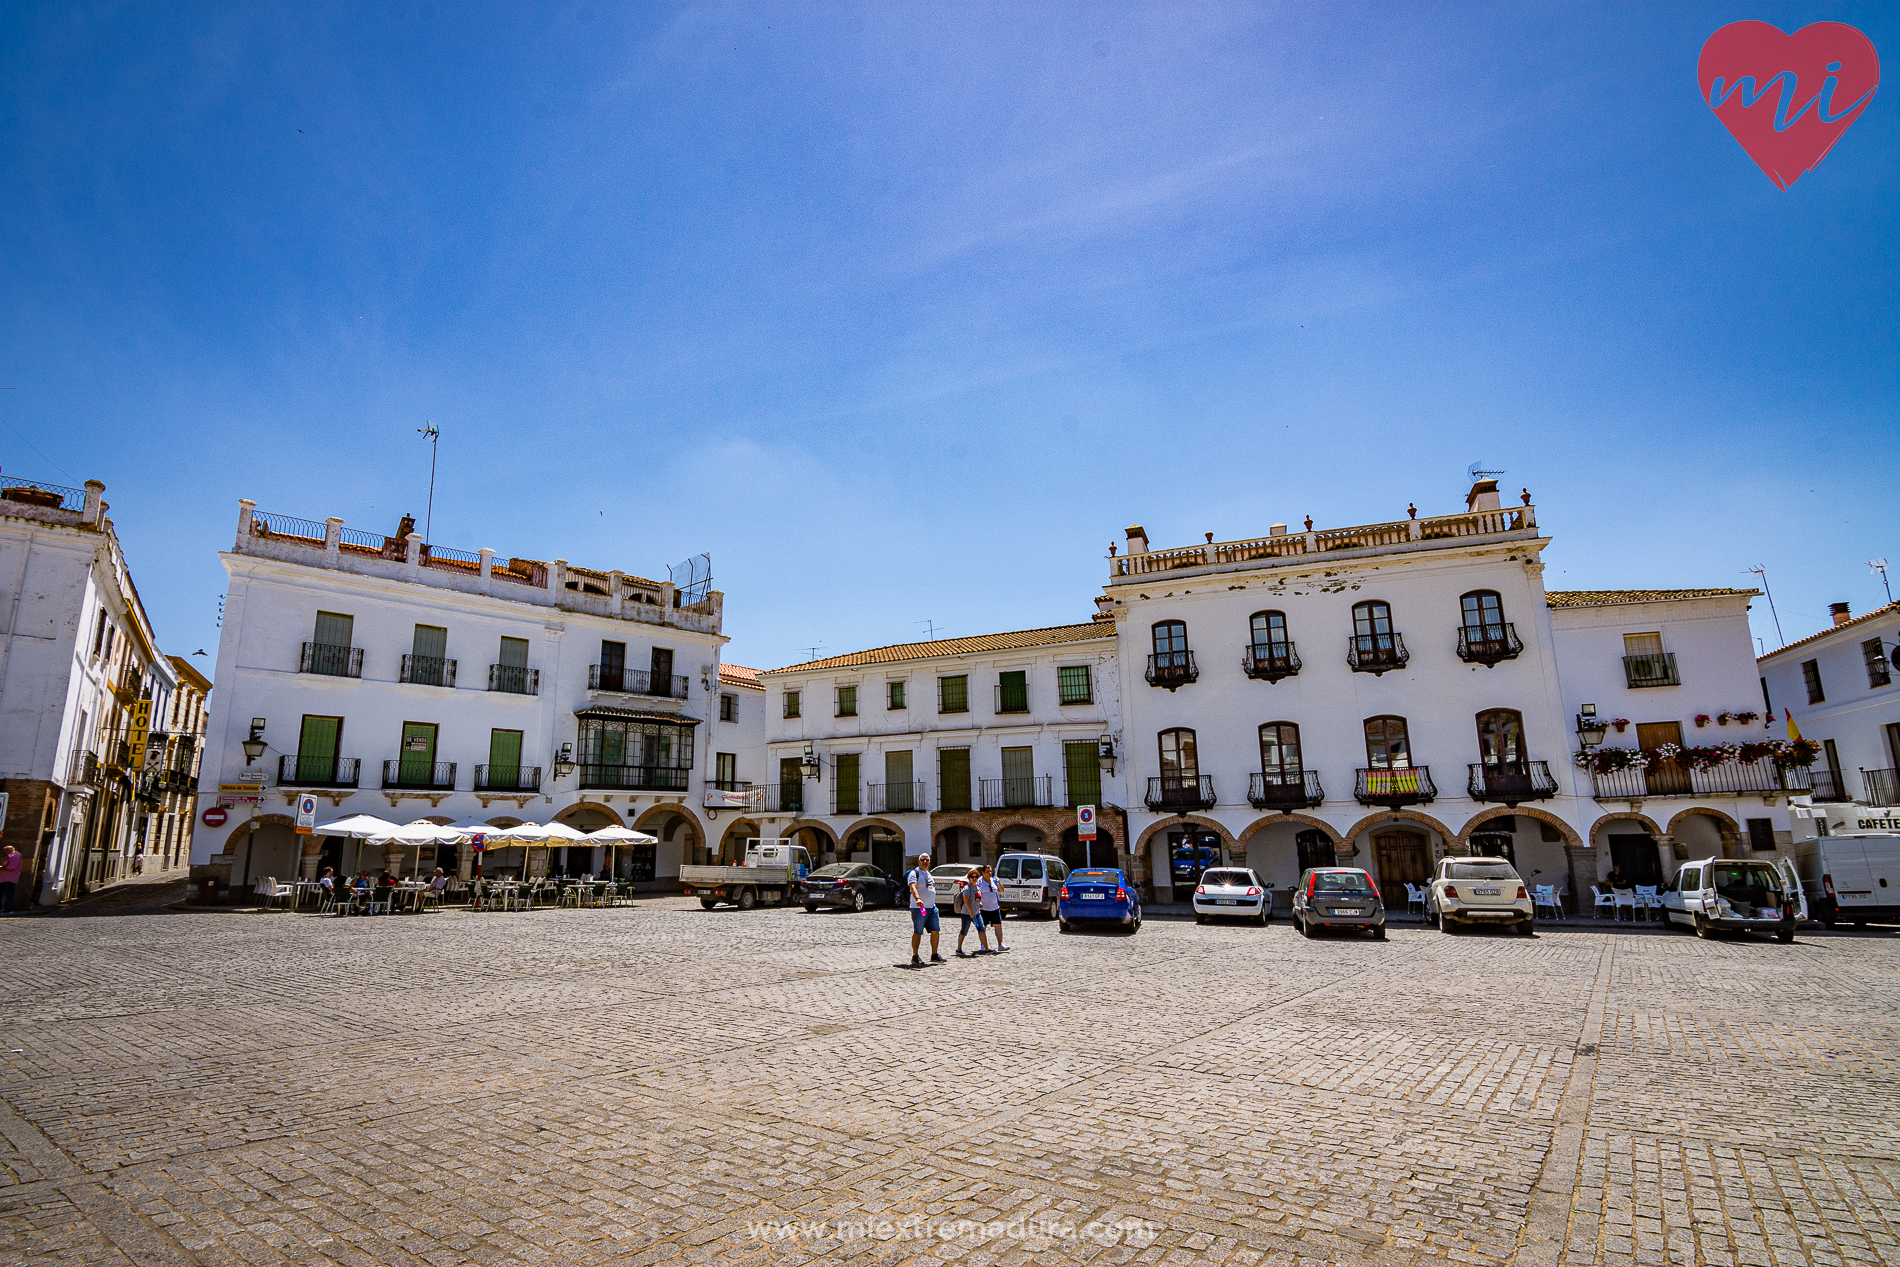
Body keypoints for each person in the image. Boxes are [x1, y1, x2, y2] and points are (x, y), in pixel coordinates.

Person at [906, 852, 943, 966]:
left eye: (927, 860)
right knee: (918, 931)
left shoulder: (928, 873)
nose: (925, 862)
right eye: (923, 860)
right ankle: (915, 956)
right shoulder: (914, 873)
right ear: (919, 861)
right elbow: (913, 886)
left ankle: (934, 954)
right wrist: (917, 899)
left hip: (932, 907)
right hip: (919, 908)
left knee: (935, 930)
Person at [954, 867, 992, 958]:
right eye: (972, 877)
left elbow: (977, 898)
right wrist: (971, 912)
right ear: (969, 878)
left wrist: (980, 903)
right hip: (967, 914)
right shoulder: (967, 888)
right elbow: (966, 901)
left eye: (976, 877)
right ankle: (958, 949)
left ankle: (987, 949)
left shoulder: (978, 888)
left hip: (977, 913)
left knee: (981, 929)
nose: (974, 878)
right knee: (964, 931)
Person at [976, 863, 1007, 951]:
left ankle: (1000, 944)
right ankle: (983, 945)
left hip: (994, 907)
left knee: (998, 926)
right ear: (983, 873)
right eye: (987, 871)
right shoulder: (979, 881)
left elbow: (1001, 890)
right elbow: (977, 893)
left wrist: (999, 882)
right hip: (984, 909)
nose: (990, 873)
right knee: (983, 927)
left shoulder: (994, 880)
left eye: (991, 871)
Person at [0, 844, 23, 915]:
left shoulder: (15, 856)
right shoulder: (10, 856)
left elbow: (9, 868)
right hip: (4, 878)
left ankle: (8, 909)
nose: (4, 853)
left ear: (9, 850)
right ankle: (2, 908)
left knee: (9, 894)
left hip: (9, 878)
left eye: (5, 851)